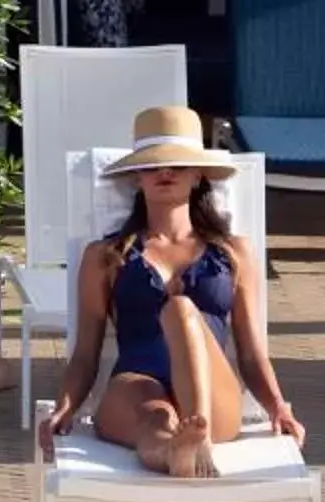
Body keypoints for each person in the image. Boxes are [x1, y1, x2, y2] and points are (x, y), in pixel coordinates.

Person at [35, 105, 305, 478]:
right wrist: (64, 407)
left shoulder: (233, 252)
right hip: (137, 382)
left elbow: (251, 352)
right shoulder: (105, 256)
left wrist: (278, 407)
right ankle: (175, 452)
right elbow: (85, 354)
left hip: (214, 392)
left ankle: (198, 433)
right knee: (155, 417)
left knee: (180, 308)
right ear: (136, 179)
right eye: (152, 165)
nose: (165, 172)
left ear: (197, 177)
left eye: (177, 165)